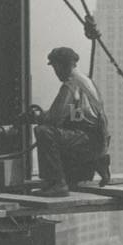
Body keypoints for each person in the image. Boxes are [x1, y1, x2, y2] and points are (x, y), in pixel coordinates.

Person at [33, 47, 110, 197]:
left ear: (61, 65)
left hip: (89, 142)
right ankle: (97, 162)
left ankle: (57, 183)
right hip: (99, 142)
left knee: (43, 131)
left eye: (55, 67)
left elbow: (54, 118)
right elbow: (76, 115)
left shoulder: (71, 84)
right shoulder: (86, 81)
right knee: (63, 129)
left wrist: (36, 118)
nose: (55, 72)